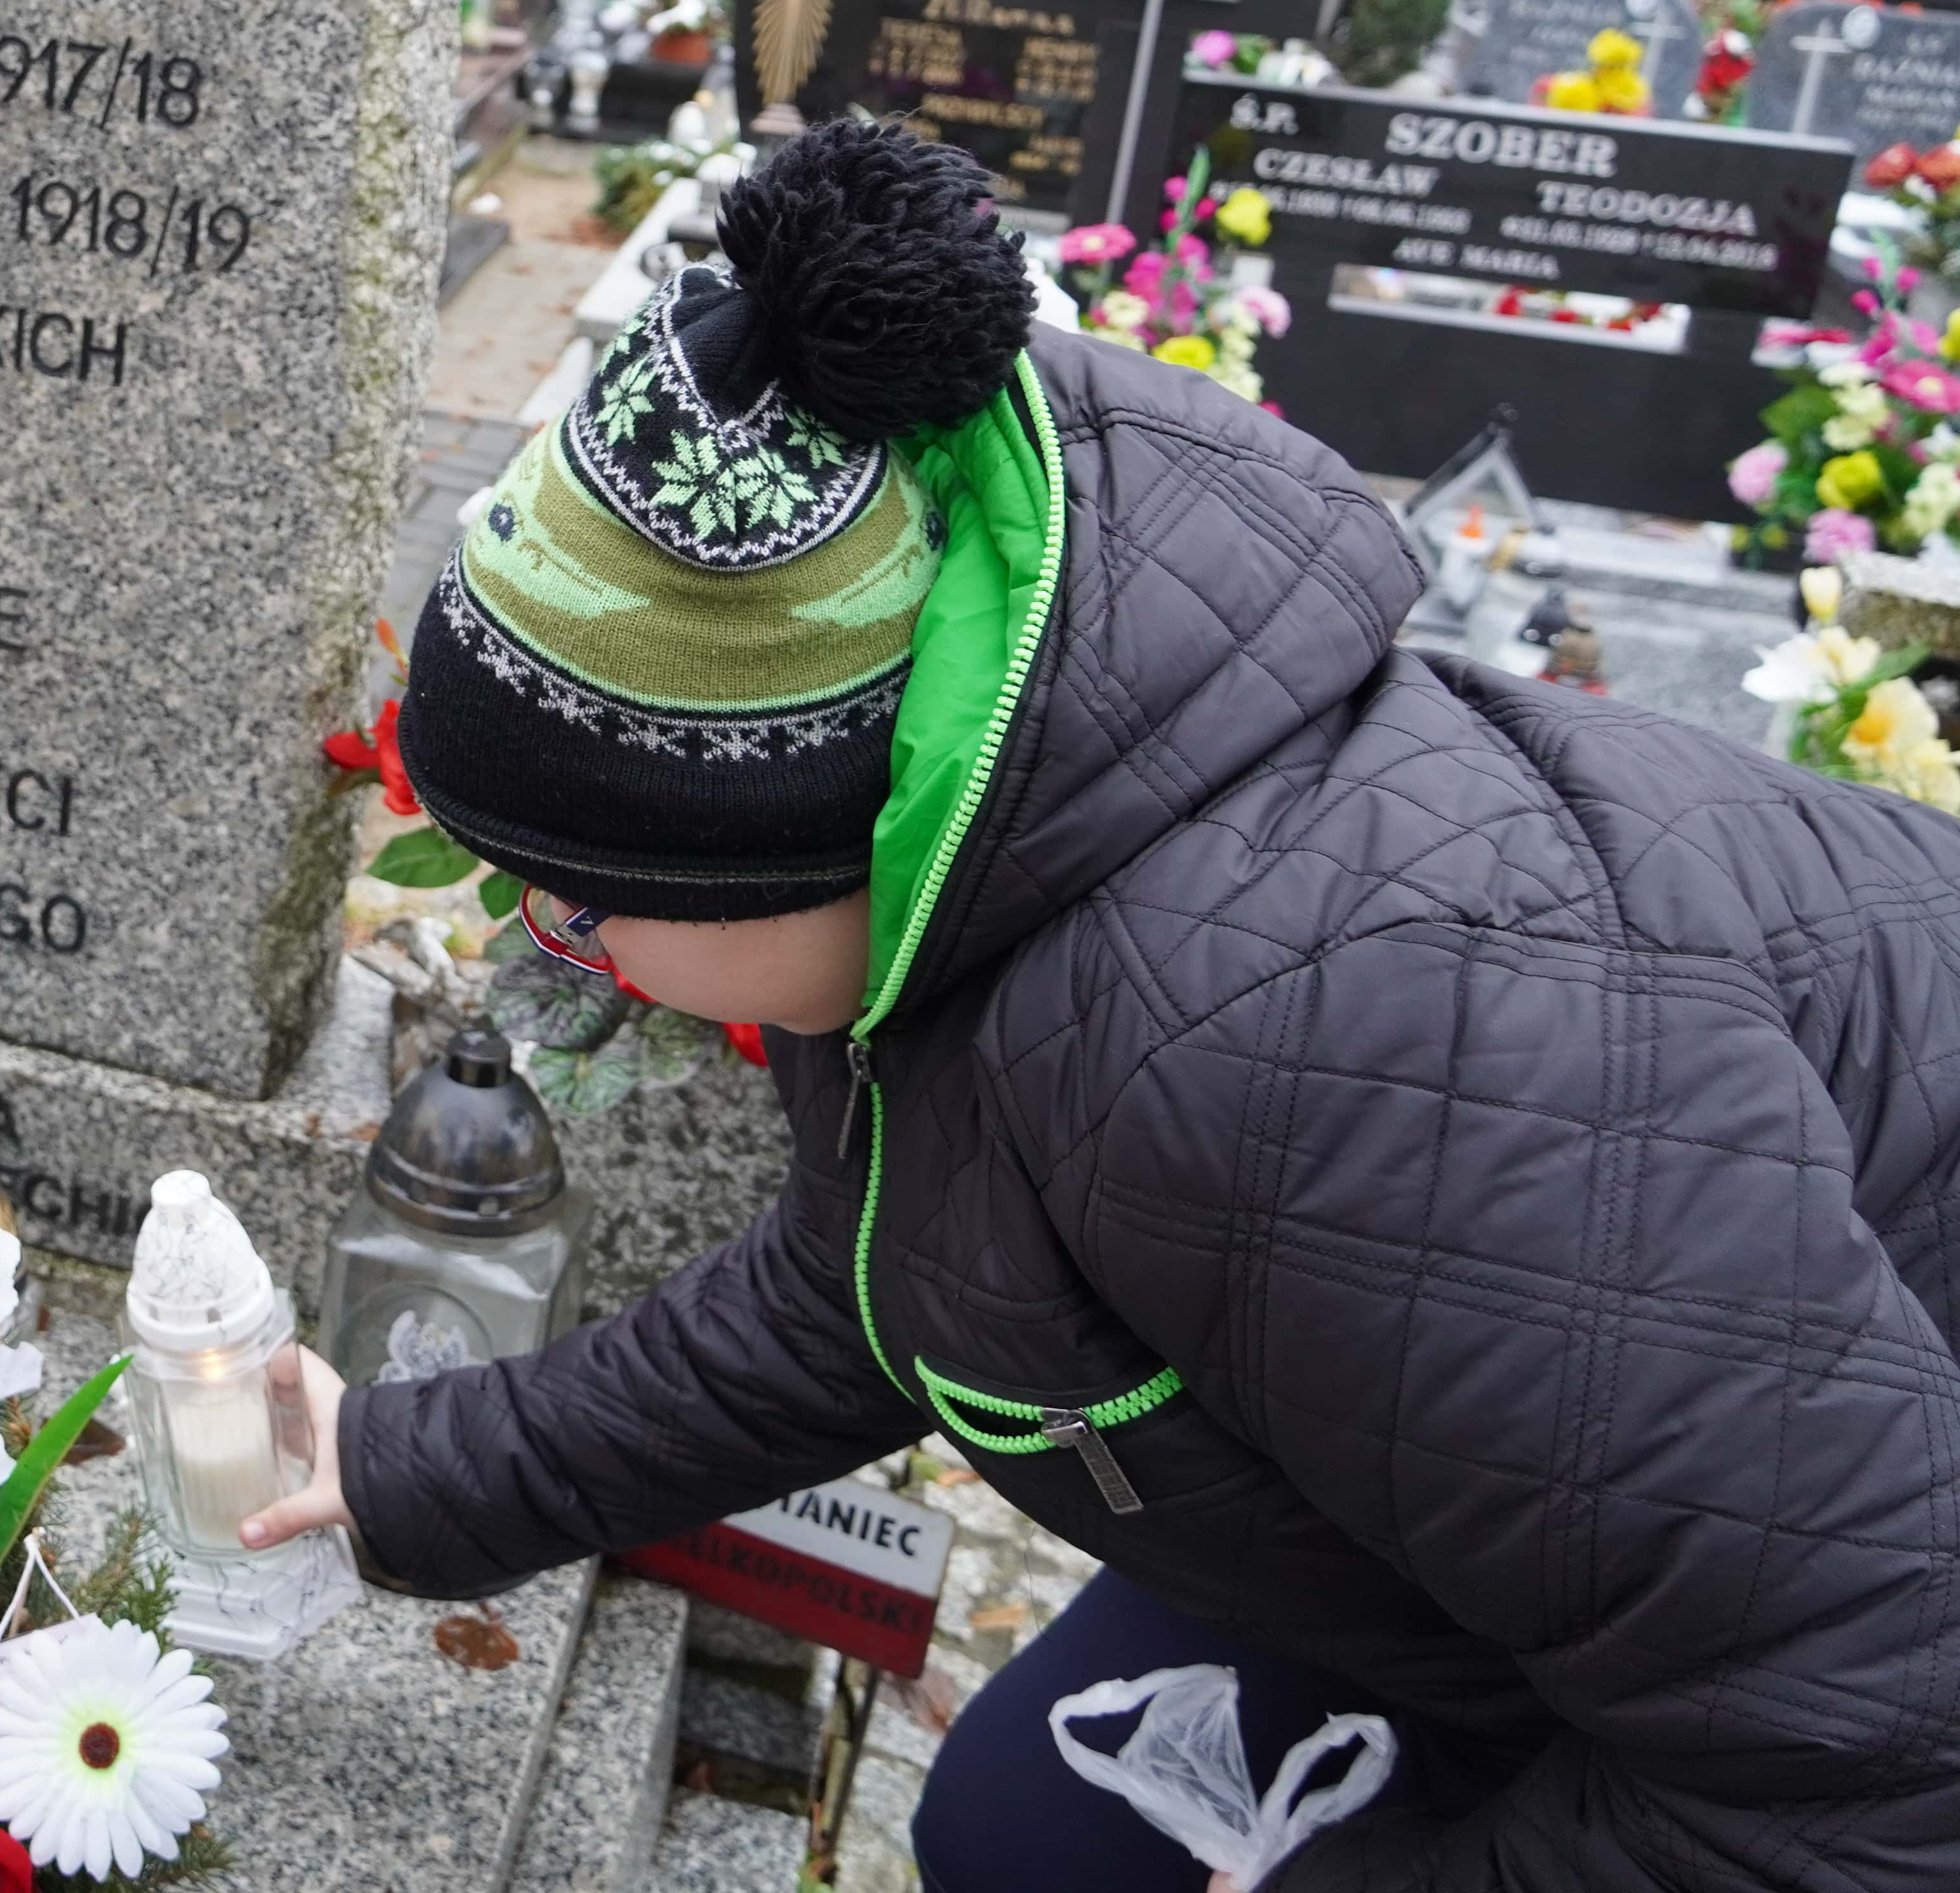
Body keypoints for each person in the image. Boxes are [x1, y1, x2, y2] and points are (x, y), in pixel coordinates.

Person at [238, 119, 1960, 1890]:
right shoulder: (985, 839)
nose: (552, 934)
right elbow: (886, 1275)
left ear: (789, 842)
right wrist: (419, 1467)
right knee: (1017, 1829)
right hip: (1574, 1541)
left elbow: (1869, 1761)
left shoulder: (1314, 1049)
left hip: (1819, 1673)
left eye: (589, 894)